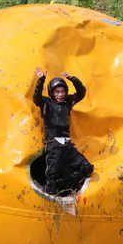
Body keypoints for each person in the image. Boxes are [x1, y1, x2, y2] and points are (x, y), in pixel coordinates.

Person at [32, 68, 94, 196]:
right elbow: (36, 96)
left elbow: (81, 93)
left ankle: (67, 184)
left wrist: (72, 79)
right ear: (52, 93)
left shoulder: (68, 103)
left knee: (87, 168)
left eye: (62, 91)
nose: (60, 94)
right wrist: (41, 79)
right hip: (54, 145)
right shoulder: (46, 103)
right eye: (57, 92)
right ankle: (51, 197)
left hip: (67, 145)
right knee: (52, 176)